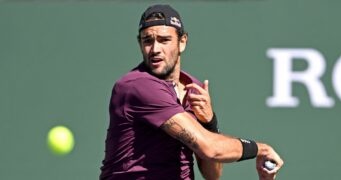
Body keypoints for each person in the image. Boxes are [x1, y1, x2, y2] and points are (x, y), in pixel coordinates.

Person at [100, 4, 283, 180]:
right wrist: (261, 149)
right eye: (147, 41)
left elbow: (213, 174)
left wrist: (210, 122)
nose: (155, 49)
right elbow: (210, 148)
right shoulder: (138, 86)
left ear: (182, 42)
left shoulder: (191, 87)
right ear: (140, 44)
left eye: (164, 40)